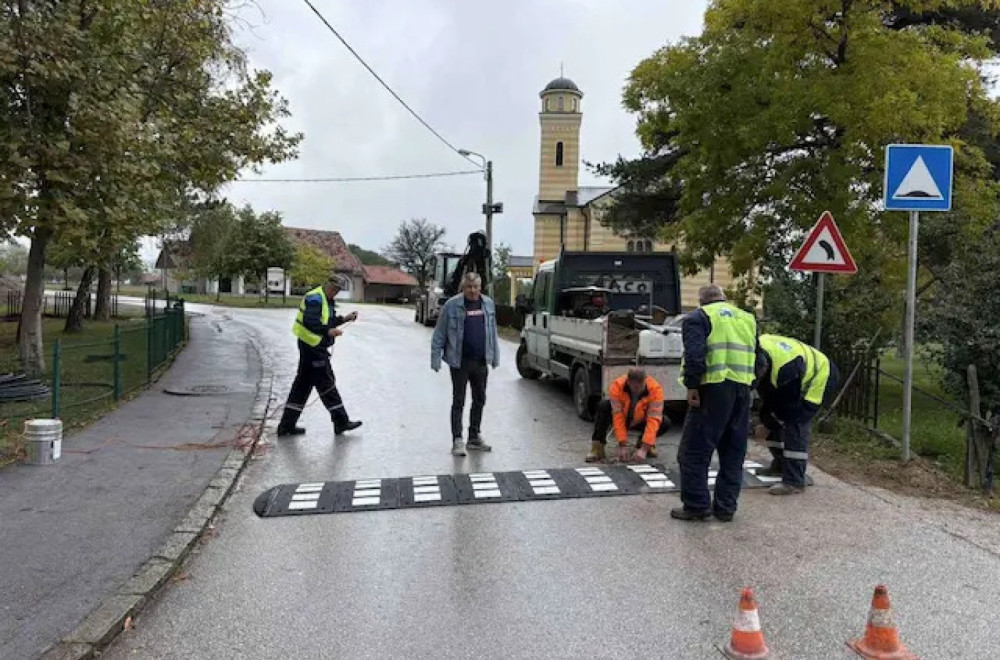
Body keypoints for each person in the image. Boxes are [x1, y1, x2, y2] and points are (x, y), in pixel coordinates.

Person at [672, 284, 758, 522]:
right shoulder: (747, 318)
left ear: (701, 302)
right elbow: (759, 357)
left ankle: (697, 505)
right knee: (733, 452)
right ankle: (726, 508)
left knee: (693, 452)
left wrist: (692, 386)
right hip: (741, 389)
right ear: (724, 298)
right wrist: (750, 385)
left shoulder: (698, 318)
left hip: (712, 389)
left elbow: (695, 355)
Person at [754, 333, 840, 495]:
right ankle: (780, 465)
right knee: (770, 415)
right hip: (796, 376)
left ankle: (794, 481)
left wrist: (771, 423)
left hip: (820, 377)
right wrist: (767, 420)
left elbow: (788, 409)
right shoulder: (757, 349)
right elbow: (768, 398)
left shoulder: (787, 369)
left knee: (795, 423)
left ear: (764, 367)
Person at [276, 277, 363, 437]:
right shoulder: (315, 298)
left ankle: (286, 426)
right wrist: (328, 332)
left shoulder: (326, 299)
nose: (336, 293)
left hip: (313, 347)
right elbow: (311, 322)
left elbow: (327, 321)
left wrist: (344, 319)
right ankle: (341, 422)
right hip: (312, 348)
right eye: (335, 290)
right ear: (329, 286)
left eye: (338, 291)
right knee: (327, 384)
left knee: (301, 387)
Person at [431, 272, 501, 456]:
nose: (472, 290)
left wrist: (495, 357)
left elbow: (493, 332)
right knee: (459, 401)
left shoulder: (487, 304)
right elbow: (439, 333)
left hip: (480, 362)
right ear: (463, 288)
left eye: (476, 287)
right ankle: (457, 440)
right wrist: (435, 357)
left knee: (480, 399)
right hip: (459, 362)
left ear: (480, 287)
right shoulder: (452, 305)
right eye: (469, 287)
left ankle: (474, 437)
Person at [586, 368, 670, 463]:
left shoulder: (655, 389)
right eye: (635, 387)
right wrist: (622, 445)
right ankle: (598, 448)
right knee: (603, 406)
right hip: (624, 418)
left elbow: (654, 419)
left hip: (641, 420)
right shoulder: (617, 386)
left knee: (664, 422)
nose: (638, 390)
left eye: (641, 386)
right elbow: (618, 416)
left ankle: (644, 444)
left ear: (645, 381)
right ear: (628, 382)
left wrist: (644, 448)